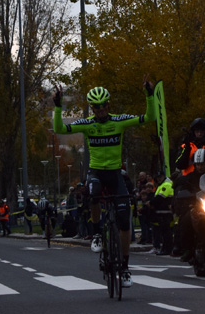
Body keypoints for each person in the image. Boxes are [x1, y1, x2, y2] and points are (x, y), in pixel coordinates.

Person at [52, 79, 157, 289]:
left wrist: (149, 96)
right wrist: (57, 106)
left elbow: (149, 117)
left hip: (116, 174)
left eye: (102, 106)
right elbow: (60, 128)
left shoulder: (119, 121)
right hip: (97, 172)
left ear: (108, 105)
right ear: (92, 108)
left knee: (125, 221)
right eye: (95, 107)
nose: (99, 110)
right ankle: (98, 234)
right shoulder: (88, 124)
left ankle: (125, 267)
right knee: (94, 193)